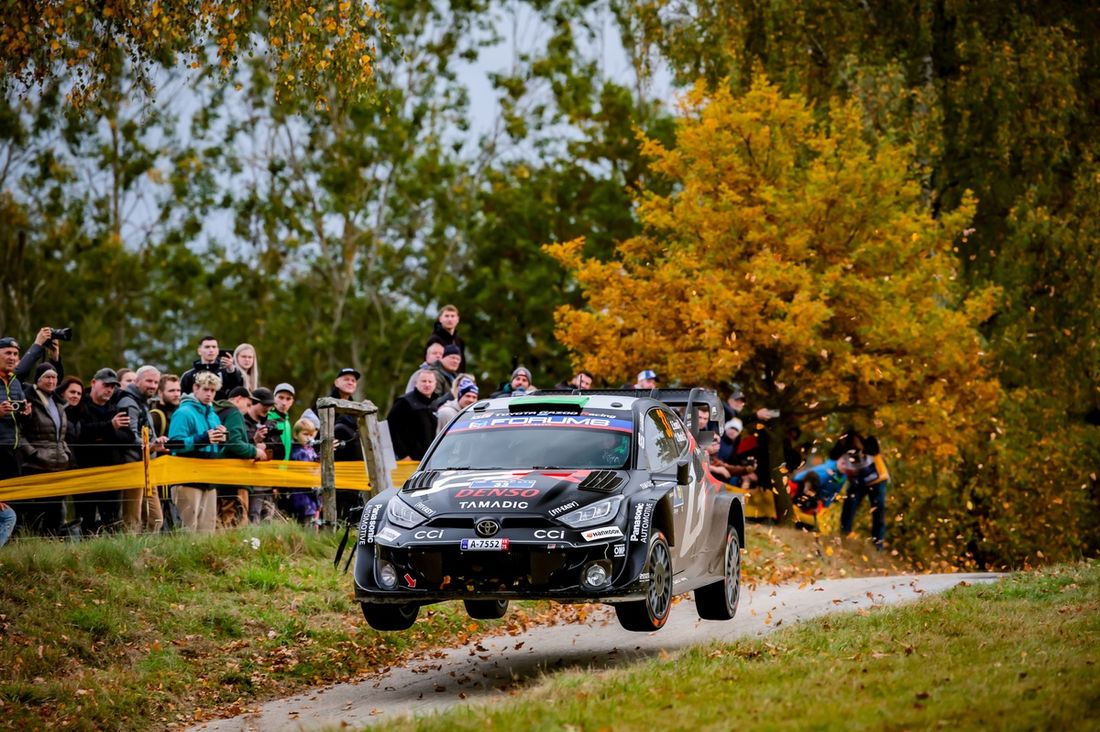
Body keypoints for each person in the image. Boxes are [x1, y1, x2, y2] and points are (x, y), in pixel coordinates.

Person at [12, 363, 73, 534]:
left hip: (58, 466)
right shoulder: (27, 400)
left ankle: (51, 548)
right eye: (47, 377)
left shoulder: (59, 402)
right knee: (35, 514)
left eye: (54, 377)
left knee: (56, 514)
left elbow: (61, 434)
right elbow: (18, 432)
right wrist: (32, 453)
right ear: (38, 380)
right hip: (35, 467)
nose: (52, 381)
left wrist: (65, 452)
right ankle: (31, 548)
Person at [69, 368, 128, 533]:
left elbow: (127, 438)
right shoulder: (80, 406)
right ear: (94, 383)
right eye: (106, 385)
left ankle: (110, 554)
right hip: (85, 472)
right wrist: (110, 427)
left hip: (112, 474)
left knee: (112, 521)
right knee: (86, 519)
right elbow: (80, 433)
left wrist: (103, 433)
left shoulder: (115, 409)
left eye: (113, 386)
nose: (109, 389)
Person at [168, 371, 228, 532]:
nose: (209, 394)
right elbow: (174, 445)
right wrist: (203, 439)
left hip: (208, 480)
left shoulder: (213, 415)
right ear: (195, 388)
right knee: (187, 531)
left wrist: (222, 441)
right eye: (206, 389)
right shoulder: (183, 412)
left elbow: (213, 446)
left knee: (207, 532)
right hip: (186, 479)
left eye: (213, 391)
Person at [114, 365, 168, 533]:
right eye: (149, 381)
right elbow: (128, 435)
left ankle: (147, 553)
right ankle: (131, 554)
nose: (152, 385)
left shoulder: (143, 402)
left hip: (147, 468)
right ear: (137, 381)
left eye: (156, 382)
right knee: (132, 521)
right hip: (133, 466)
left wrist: (155, 442)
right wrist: (150, 446)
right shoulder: (128, 402)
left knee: (156, 519)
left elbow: (144, 434)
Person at [214, 386, 269, 527]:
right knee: (236, 523)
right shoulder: (234, 413)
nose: (247, 410)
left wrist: (251, 442)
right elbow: (234, 444)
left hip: (217, 476)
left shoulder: (217, 412)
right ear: (238, 399)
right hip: (235, 478)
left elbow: (228, 441)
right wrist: (255, 451)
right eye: (248, 404)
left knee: (219, 522)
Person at [836, 430, 890, 550]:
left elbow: (874, 451)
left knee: (878, 510)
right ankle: (844, 535)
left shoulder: (871, 446)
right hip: (858, 483)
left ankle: (878, 546)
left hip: (878, 480)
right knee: (849, 507)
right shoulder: (845, 454)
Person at [386, 369, 438, 461]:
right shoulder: (404, 402)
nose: (427, 384)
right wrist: (403, 455)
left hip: (427, 460)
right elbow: (390, 429)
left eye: (430, 381)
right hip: (408, 460)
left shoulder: (434, 404)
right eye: (423, 381)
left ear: (435, 384)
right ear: (416, 383)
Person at [0, 336, 32, 482]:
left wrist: (26, 414)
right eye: (8, 353)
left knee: (13, 500)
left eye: (15, 354)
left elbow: (22, 420)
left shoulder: (16, 382)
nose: (12, 358)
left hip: (14, 450)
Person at [243, 387, 276, 524]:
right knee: (252, 519)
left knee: (269, 519)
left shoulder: (272, 424)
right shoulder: (242, 421)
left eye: (270, 405)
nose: (267, 408)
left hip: (268, 480)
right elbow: (239, 447)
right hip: (249, 482)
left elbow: (281, 450)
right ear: (253, 403)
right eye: (264, 405)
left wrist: (267, 445)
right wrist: (254, 441)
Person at [179, 335, 244, 401]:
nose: (211, 350)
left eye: (214, 347)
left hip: (222, 409)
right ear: (199, 351)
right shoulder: (188, 375)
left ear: (218, 351)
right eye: (207, 347)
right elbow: (182, 398)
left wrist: (231, 370)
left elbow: (237, 392)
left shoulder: (226, 372)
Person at [287, 418, 321, 526]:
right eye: (305, 434)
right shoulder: (299, 453)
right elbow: (308, 473)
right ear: (296, 435)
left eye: (311, 435)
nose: (309, 438)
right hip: (302, 496)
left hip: (311, 496)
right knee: (306, 524)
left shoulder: (310, 450)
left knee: (312, 523)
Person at [425, 304, 466, 372]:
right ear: (440, 319)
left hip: (456, 378)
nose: (449, 319)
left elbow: (462, 364)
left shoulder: (459, 341)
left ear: (457, 319)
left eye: (452, 316)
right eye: (446, 316)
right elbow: (431, 363)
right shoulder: (434, 340)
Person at [267, 383, 295, 462]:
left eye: (288, 399)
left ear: (292, 402)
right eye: (281, 397)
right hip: (270, 469)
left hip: (284, 470)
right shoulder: (267, 418)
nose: (284, 403)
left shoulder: (287, 421)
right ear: (274, 398)